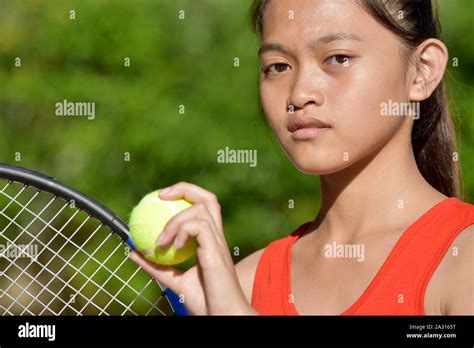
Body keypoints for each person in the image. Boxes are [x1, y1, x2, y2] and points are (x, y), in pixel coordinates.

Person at [129, 0, 473, 315]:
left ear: (423, 70)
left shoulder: (463, 259)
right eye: (277, 66)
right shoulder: (239, 284)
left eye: (338, 58)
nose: (299, 93)